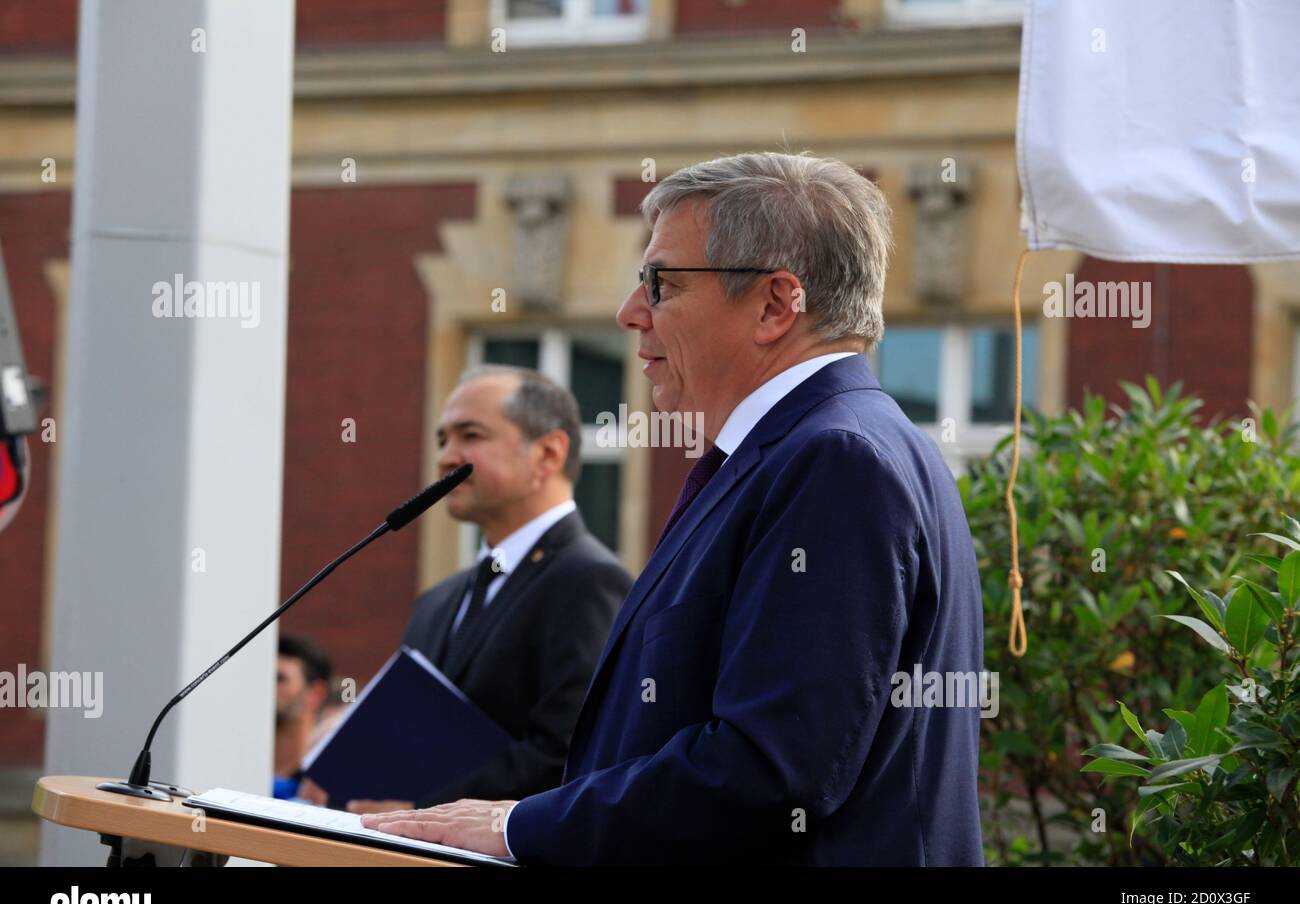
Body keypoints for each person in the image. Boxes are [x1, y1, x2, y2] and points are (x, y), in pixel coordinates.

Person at [362, 151, 986, 865]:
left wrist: (520, 827)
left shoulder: (835, 460)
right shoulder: (801, 451)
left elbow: (770, 771)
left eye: (660, 284)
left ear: (777, 304)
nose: (632, 315)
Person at [302, 366, 632, 813]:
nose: (446, 457)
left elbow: (569, 750)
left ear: (548, 454)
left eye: (470, 435)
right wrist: (341, 776)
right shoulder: (438, 601)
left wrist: (420, 809)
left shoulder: (588, 580)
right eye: (442, 440)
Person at [273, 633, 332, 800]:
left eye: (279, 678)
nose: (266, 687)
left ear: (315, 694)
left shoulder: (325, 780)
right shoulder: (235, 762)